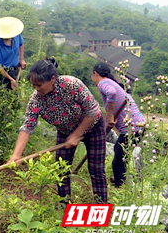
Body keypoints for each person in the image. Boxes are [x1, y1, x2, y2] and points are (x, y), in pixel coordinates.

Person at [7, 58, 107, 204]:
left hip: (93, 127)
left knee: (96, 170)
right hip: (66, 131)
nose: (36, 89)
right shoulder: (36, 100)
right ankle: (64, 206)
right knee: (61, 171)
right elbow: (28, 126)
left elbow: (93, 111)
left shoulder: (72, 84)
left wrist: (77, 134)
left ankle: (101, 208)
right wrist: (16, 155)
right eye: (33, 85)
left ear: (52, 79)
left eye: (39, 85)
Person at [91, 62, 145, 188]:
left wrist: (109, 117)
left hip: (132, 128)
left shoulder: (103, 83)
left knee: (118, 162)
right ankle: (120, 181)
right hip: (138, 126)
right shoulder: (111, 82)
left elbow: (111, 94)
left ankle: (120, 188)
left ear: (95, 74)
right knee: (119, 152)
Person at [0, 17, 26, 98]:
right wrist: (11, 80)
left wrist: (21, 59)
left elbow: (21, 44)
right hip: (1, 75)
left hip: (15, 70)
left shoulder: (17, 35)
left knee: (14, 99)